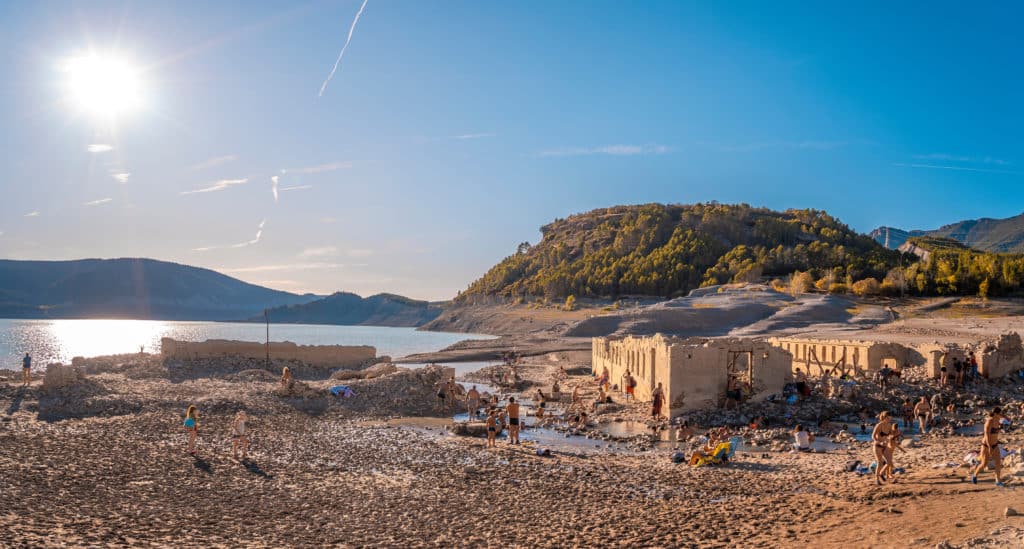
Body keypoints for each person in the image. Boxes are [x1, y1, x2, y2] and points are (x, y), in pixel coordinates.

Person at [972, 407, 1008, 487]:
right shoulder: (989, 422)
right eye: (1000, 414)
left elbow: (997, 431)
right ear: (995, 414)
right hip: (986, 445)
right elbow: (987, 436)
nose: (1001, 415)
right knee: (984, 464)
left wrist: (1004, 422)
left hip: (995, 445)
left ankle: (997, 481)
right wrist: (989, 447)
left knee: (998, 462)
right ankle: (974, 475)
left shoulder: (998, 421)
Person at [871, 412, 895, 485]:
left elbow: (891, 434)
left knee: (889, 462)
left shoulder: (889, 425)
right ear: (884, 418)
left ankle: (881, 473)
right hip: (877, 445)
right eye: (887, 418)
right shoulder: (879, 425)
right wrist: (879, 442)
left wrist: (891, 437)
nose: (889, 419)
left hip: (885, 446)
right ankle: (877, 479)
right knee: (880, 462)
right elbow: (873, 436)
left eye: (890, 418)